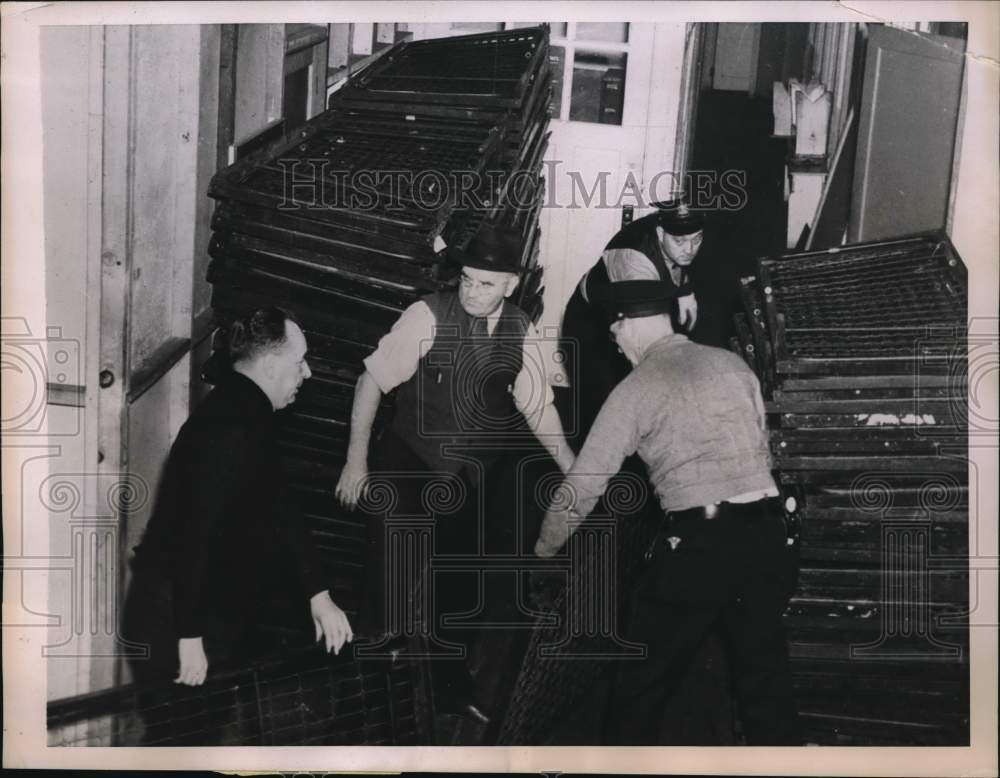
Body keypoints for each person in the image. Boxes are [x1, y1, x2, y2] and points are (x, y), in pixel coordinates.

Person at [534, 280, 800, 745]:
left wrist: (543, 550)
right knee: (766, 685)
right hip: (767, 538)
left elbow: (583, 486)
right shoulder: (732, 366)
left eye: (615, 331)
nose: (615, 342)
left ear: (629, 325)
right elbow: (763, 447)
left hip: (699, 546)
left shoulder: (637, 388)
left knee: (642, 686)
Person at [336, 224, 574, 725]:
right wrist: (356, 460)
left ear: (511, 285)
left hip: (467, 475)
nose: (471, 291)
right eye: (466, 279)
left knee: (464, 585)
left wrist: (573, 468)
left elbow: (538, 407)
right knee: (390, 582)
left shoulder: (521, 330)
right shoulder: (426, 315)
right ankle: (366, 701)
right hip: (409, 466)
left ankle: (448, 690)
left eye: (485, 283)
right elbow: (371, 382)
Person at [124, 307, 353, 694]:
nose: (308, 373)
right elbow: (195, 537)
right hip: (175, 617)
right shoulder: (230, 431)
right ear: (268, 367)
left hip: (201, 610)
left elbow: (283, 506)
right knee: (184, 744)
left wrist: (319, 594)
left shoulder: (250, 415)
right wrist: (190, 637)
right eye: (299, 363)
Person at [559, 199, 705, 449]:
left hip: (630, 313)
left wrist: (685, 289)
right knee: (602, 406)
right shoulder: (633, 260)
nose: (689, 249)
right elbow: (642, 338)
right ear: (660, 233)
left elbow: (678, 263)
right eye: (680, 242)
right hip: (591, 322)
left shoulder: (667, 226)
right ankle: (588, 475)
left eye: (697, 240)